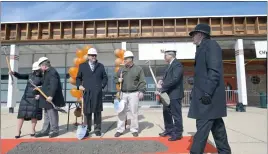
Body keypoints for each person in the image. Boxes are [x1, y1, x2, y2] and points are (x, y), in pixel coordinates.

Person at [188, 23, 231, 154]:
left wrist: (207, 91)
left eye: (193, 35)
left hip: (208, 98)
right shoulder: (202, 47)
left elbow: (214, 71)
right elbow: (205, 72)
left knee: (202, 129)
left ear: (200, 34)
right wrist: (194, 80)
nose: (192, 38)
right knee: (218, 129)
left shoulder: (210, 45)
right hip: (208, 96)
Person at [114, 50, 146, 137]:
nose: (124, 60)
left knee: (134, 112)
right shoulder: (121, 69)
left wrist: (141, 91)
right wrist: (118, 80)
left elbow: (142, 81)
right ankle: (120, 130)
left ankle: (134, 129)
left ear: (131, 59)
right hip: (123, 93)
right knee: (121, 112)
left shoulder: (138, 69)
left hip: (134, 94)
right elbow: (115, 78)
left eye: (126, 59)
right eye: (124, 59)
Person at [76, 48, 108, 137]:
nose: (94, 57)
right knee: (87, 112)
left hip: (97, 92)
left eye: (95, 55)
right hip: (87, 92)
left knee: (97, 111)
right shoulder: (82, 66)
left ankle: (97, 129)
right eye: (92, 55)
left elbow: (105, 78)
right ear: (88, 56)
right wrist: (79, 86)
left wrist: (102, 86)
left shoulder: (100, 66)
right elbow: (78, 78)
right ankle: (87, 129)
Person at [156, 50, 184, 141]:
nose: (164, 57)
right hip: (167, 94)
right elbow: (168, 78)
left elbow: (175, 79)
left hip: (175, 94)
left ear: (171, 55)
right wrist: (161, 80)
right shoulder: (169, 65)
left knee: (176, 114)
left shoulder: (177, 65)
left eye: (165, 55)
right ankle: (169, 129)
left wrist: (162, 86)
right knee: (166, 112)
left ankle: (178, 133)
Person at [9, 61, 43, 139]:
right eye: (36, 70)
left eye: (38, 70)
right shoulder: (30, 75)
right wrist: (13, 73)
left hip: (35, 98)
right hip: (26, 98)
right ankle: (18, 131)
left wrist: (40, 94)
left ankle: (32, 130)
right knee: (21, 115)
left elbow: (45, 88)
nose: (37, 71)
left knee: (34, 115)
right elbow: (20, 76)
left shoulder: (43, 78)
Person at [34, 57, 65, 138]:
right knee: (47, 114)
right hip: (45, 97)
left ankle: (54, 130)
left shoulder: (52, 72)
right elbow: (46, 86)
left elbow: (54, 84)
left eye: (40, 66)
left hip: (51, 98)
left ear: (44, 65)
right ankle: (45, 130)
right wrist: (40, 93)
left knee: (52, 114)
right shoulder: (46, 72)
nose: (40, 68)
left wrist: (51, 95)